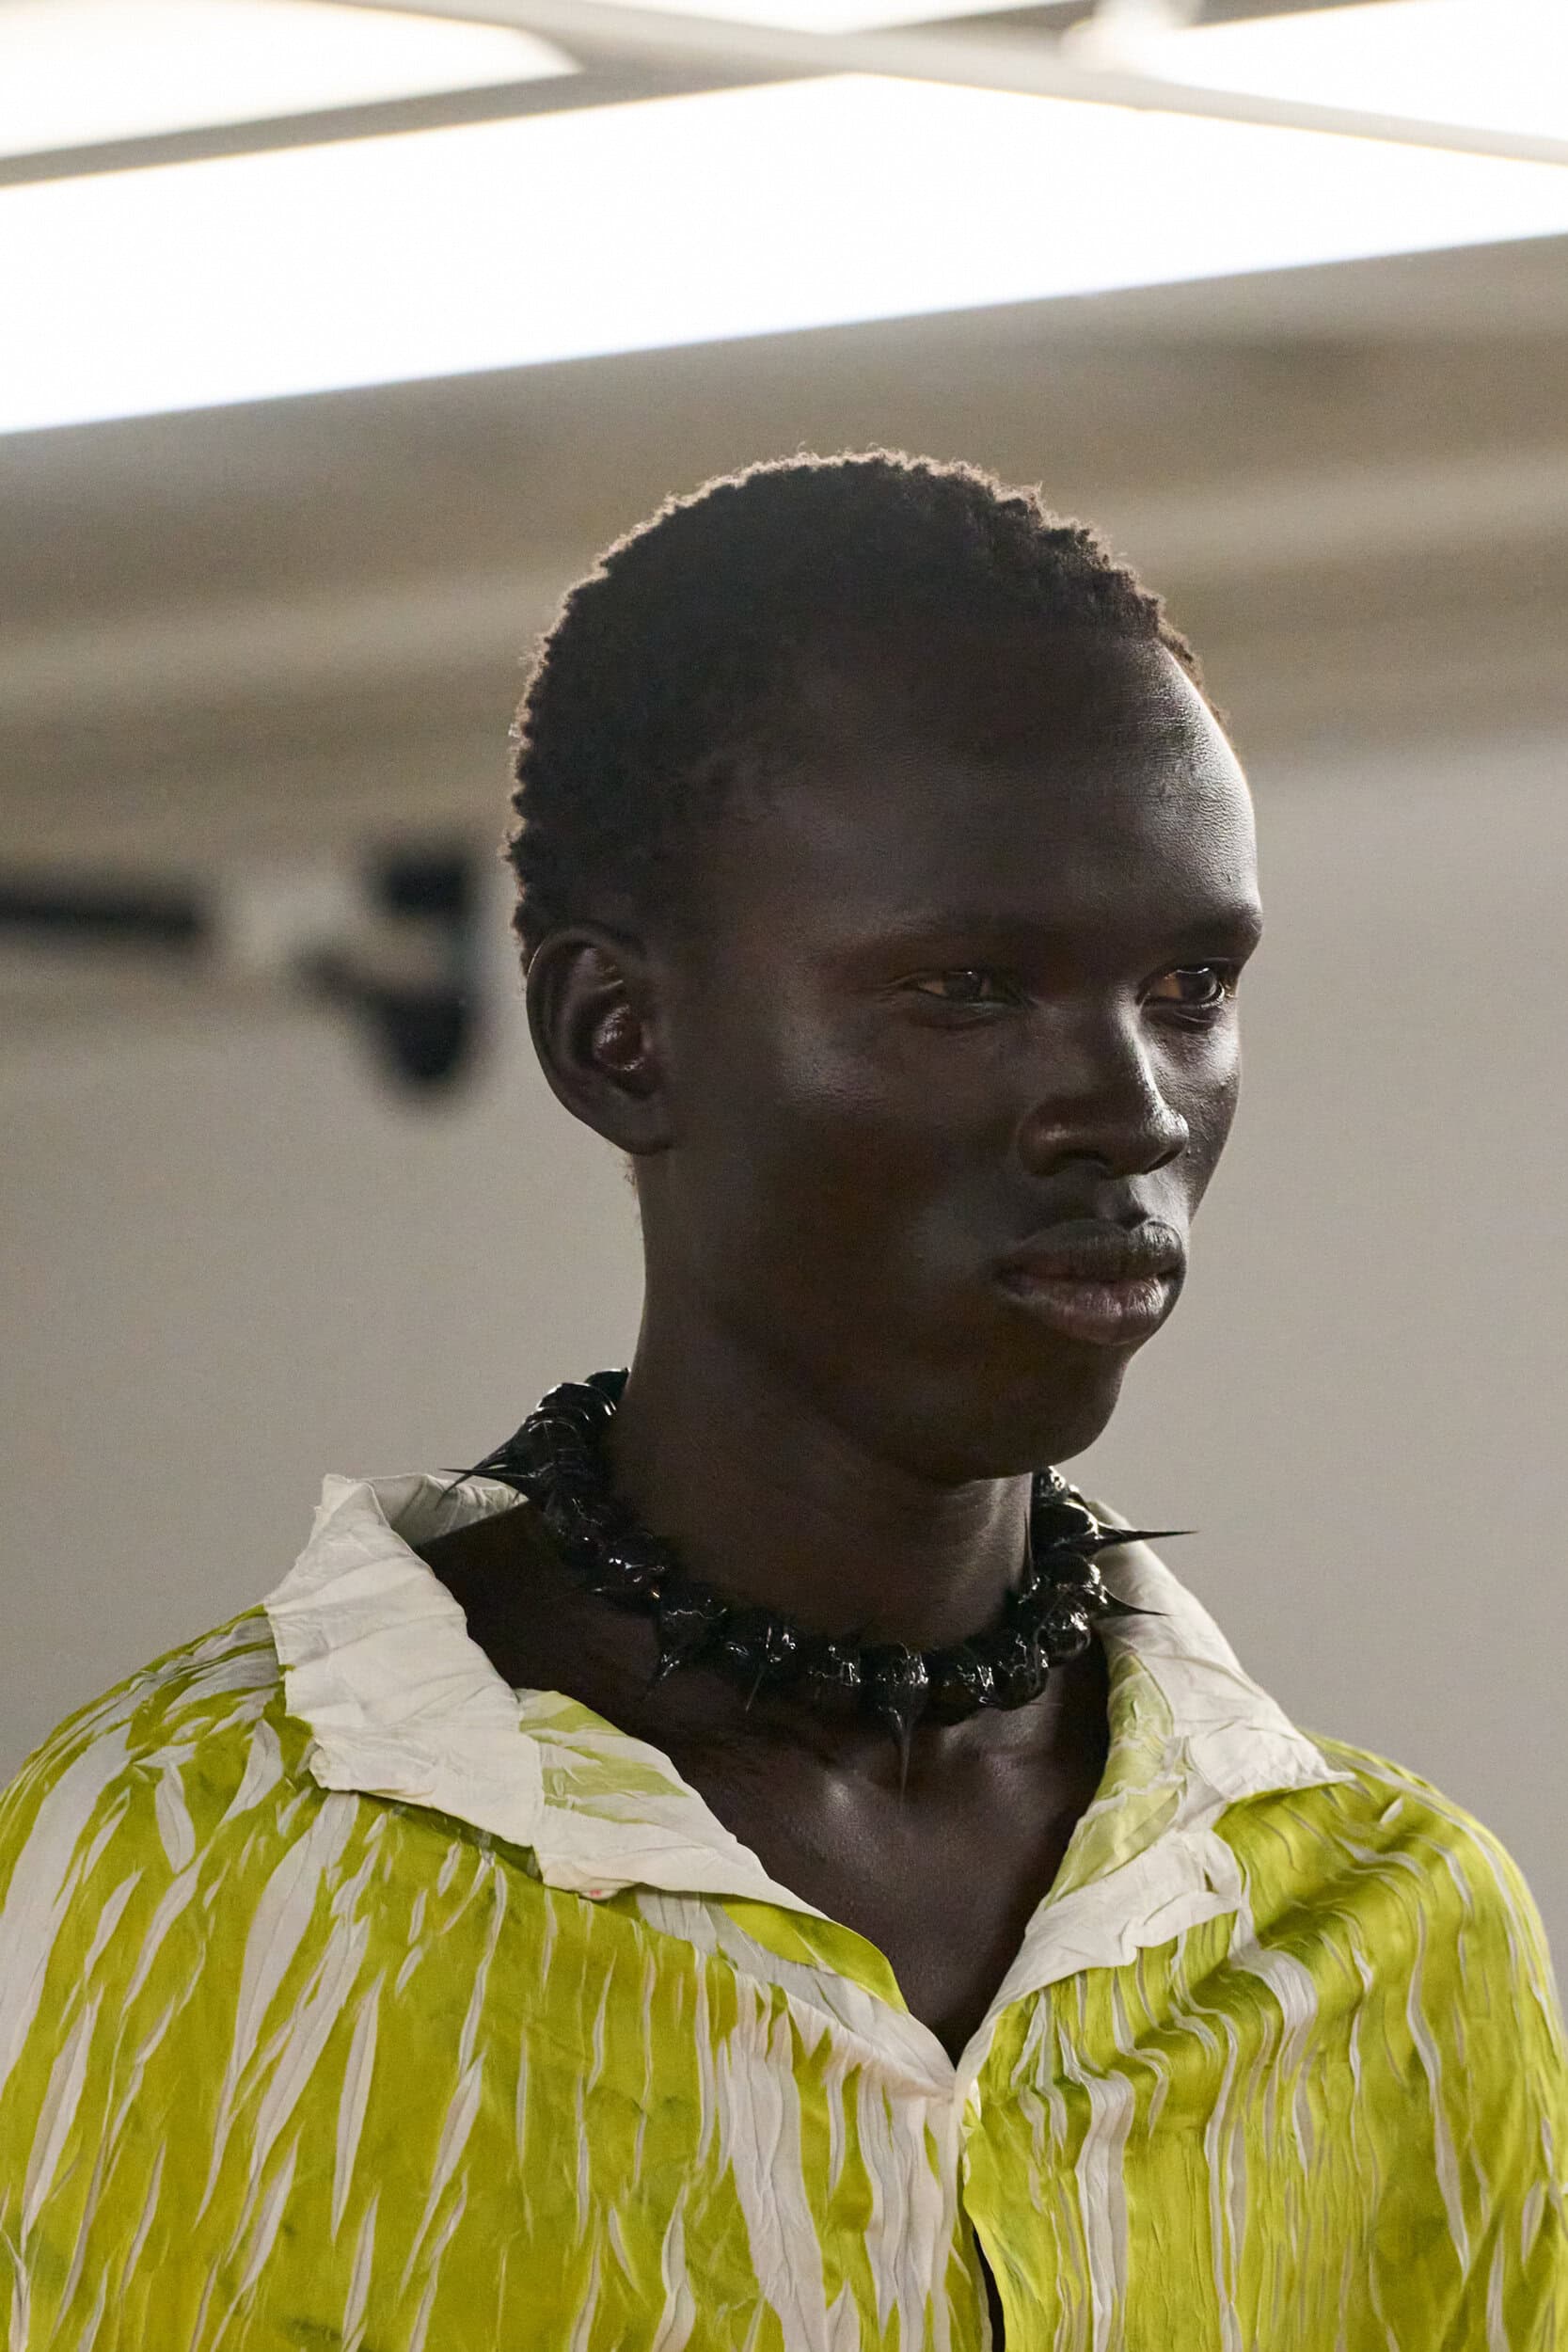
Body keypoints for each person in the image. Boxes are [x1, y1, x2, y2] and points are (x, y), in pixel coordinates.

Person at [1, 451, 1563, 2350]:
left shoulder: (1390, 1936)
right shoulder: (184, 1872)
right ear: (616, 1035)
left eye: (1189, 984)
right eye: (968, 986)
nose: (1132, 1105)